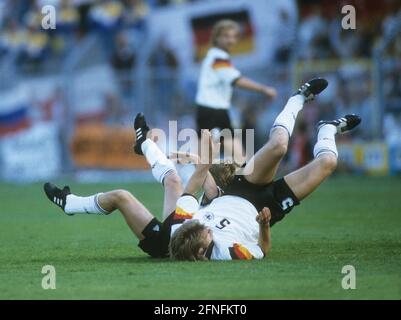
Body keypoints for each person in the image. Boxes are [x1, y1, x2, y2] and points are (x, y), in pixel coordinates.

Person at [169, 78, 361, 261]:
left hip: (239, 189)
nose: (207, 228)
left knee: (279, 145)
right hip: (268, 207)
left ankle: (298, 98)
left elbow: (190, 190)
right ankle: (328, 129)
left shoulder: (180, 229)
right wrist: (264, 225)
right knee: (328, 163)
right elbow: (262, 249)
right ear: (202, 252)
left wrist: (202, 163)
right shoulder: (229, 253)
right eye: (207, 232)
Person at [195, 19, 277, 164]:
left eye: (233, 36)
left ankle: (198, 183)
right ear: (216, 37)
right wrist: (264, 89)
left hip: (210, 110)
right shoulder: (218, 57)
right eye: (226, 36)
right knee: (236, 157)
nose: (231, 40)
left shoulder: (215, 56)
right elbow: (237, 80)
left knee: (206, 160)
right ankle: (242, 184)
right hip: (213, 111)